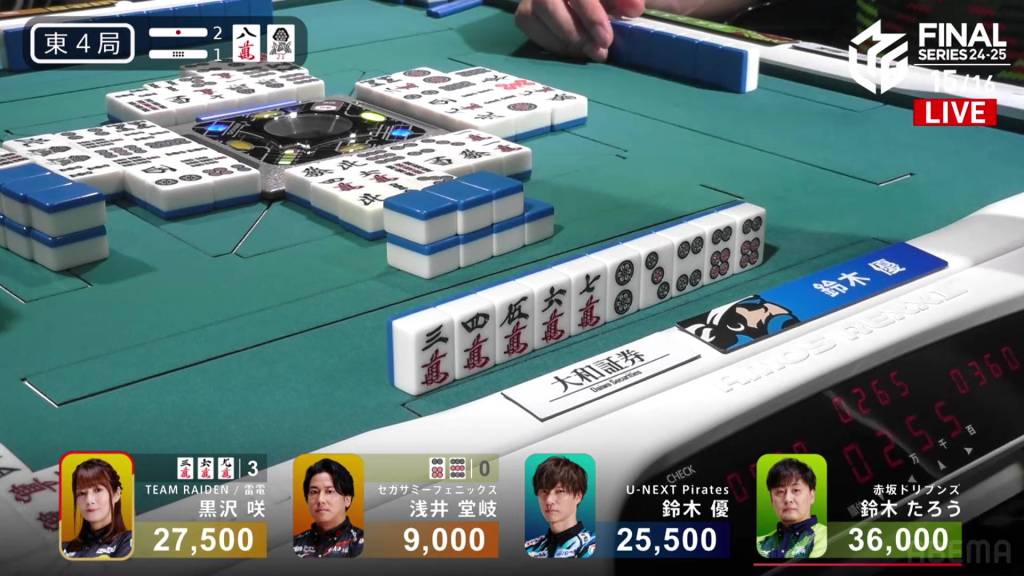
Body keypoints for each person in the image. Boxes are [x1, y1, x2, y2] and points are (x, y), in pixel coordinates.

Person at [525, 456, 596, 558]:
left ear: (578, 496)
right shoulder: (529, 549)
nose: (549, 500)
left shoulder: (593, 547)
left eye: (559, 491)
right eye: (544, 491)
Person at [61, 458, 132, 559]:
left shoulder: (127, 542)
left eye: (98, 490)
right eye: (82, 493)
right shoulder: (64, 548)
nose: (89, 500)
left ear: (116, 494)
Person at [293, 458, 365, 558]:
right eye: (314, 492)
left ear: (347, 500)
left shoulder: (360, 543)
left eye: (329, 491)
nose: (320, 499)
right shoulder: (296, 543)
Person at [756, 458, 827, 558]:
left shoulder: (828, 538)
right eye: (780, 492)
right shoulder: (759, 543)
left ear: (812, 496)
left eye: (796, 490)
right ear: (771, 500)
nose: (788, 499)